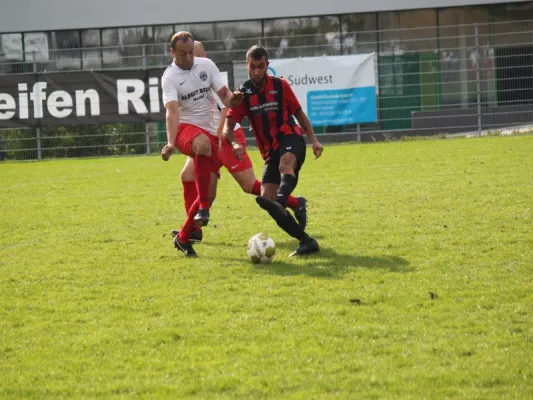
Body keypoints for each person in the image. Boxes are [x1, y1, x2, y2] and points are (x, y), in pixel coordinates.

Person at [172, 41, 308, 244]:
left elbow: (228, 108)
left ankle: (295, 202)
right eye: (188, 55)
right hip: (207, 140)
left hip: (224, 139)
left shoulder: (210, 76)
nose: (190, 59)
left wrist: (219, 136)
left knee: (248, 185)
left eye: (195, 55)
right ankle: (193, 230)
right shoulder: (185, 76)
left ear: (204, 56)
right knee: (187, 175)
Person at [223, 45, 324, 257]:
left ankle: (281, 202)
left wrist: (314, 140)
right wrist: (235, 144)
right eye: (253, 67)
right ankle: (307, 241)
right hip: (270, 152)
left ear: (268, 65)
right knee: (266, 200)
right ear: (247, 66)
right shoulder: (243, 93)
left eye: (261, 67)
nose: (257, 71)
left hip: (291, 139)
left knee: (285, 165)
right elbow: (227, 129)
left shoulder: (280, 86)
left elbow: (300, 114)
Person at [160, 31, 243, 257]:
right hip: (184, 131)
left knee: (207, 189)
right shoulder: (169, 77)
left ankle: (185, 237)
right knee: (203, 144)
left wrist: (237, 98)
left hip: (208, 135)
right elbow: (172, 111)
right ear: (172, 52)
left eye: (190, 53)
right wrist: (171, 142)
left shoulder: (206, 65)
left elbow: (225, 95)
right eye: (182, 54)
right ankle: (203, 209)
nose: (188, 58)